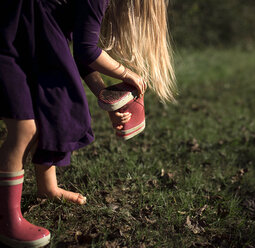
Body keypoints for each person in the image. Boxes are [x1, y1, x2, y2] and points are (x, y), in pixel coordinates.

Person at [0, 0, 176, 247]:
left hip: (37, 38)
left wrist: (107, 98)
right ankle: (8, 220)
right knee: (24, 129)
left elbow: (83, 58)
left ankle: (48, 188)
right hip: (13, 33)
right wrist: (127, 74)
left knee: (54, 109)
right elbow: (87, 51)